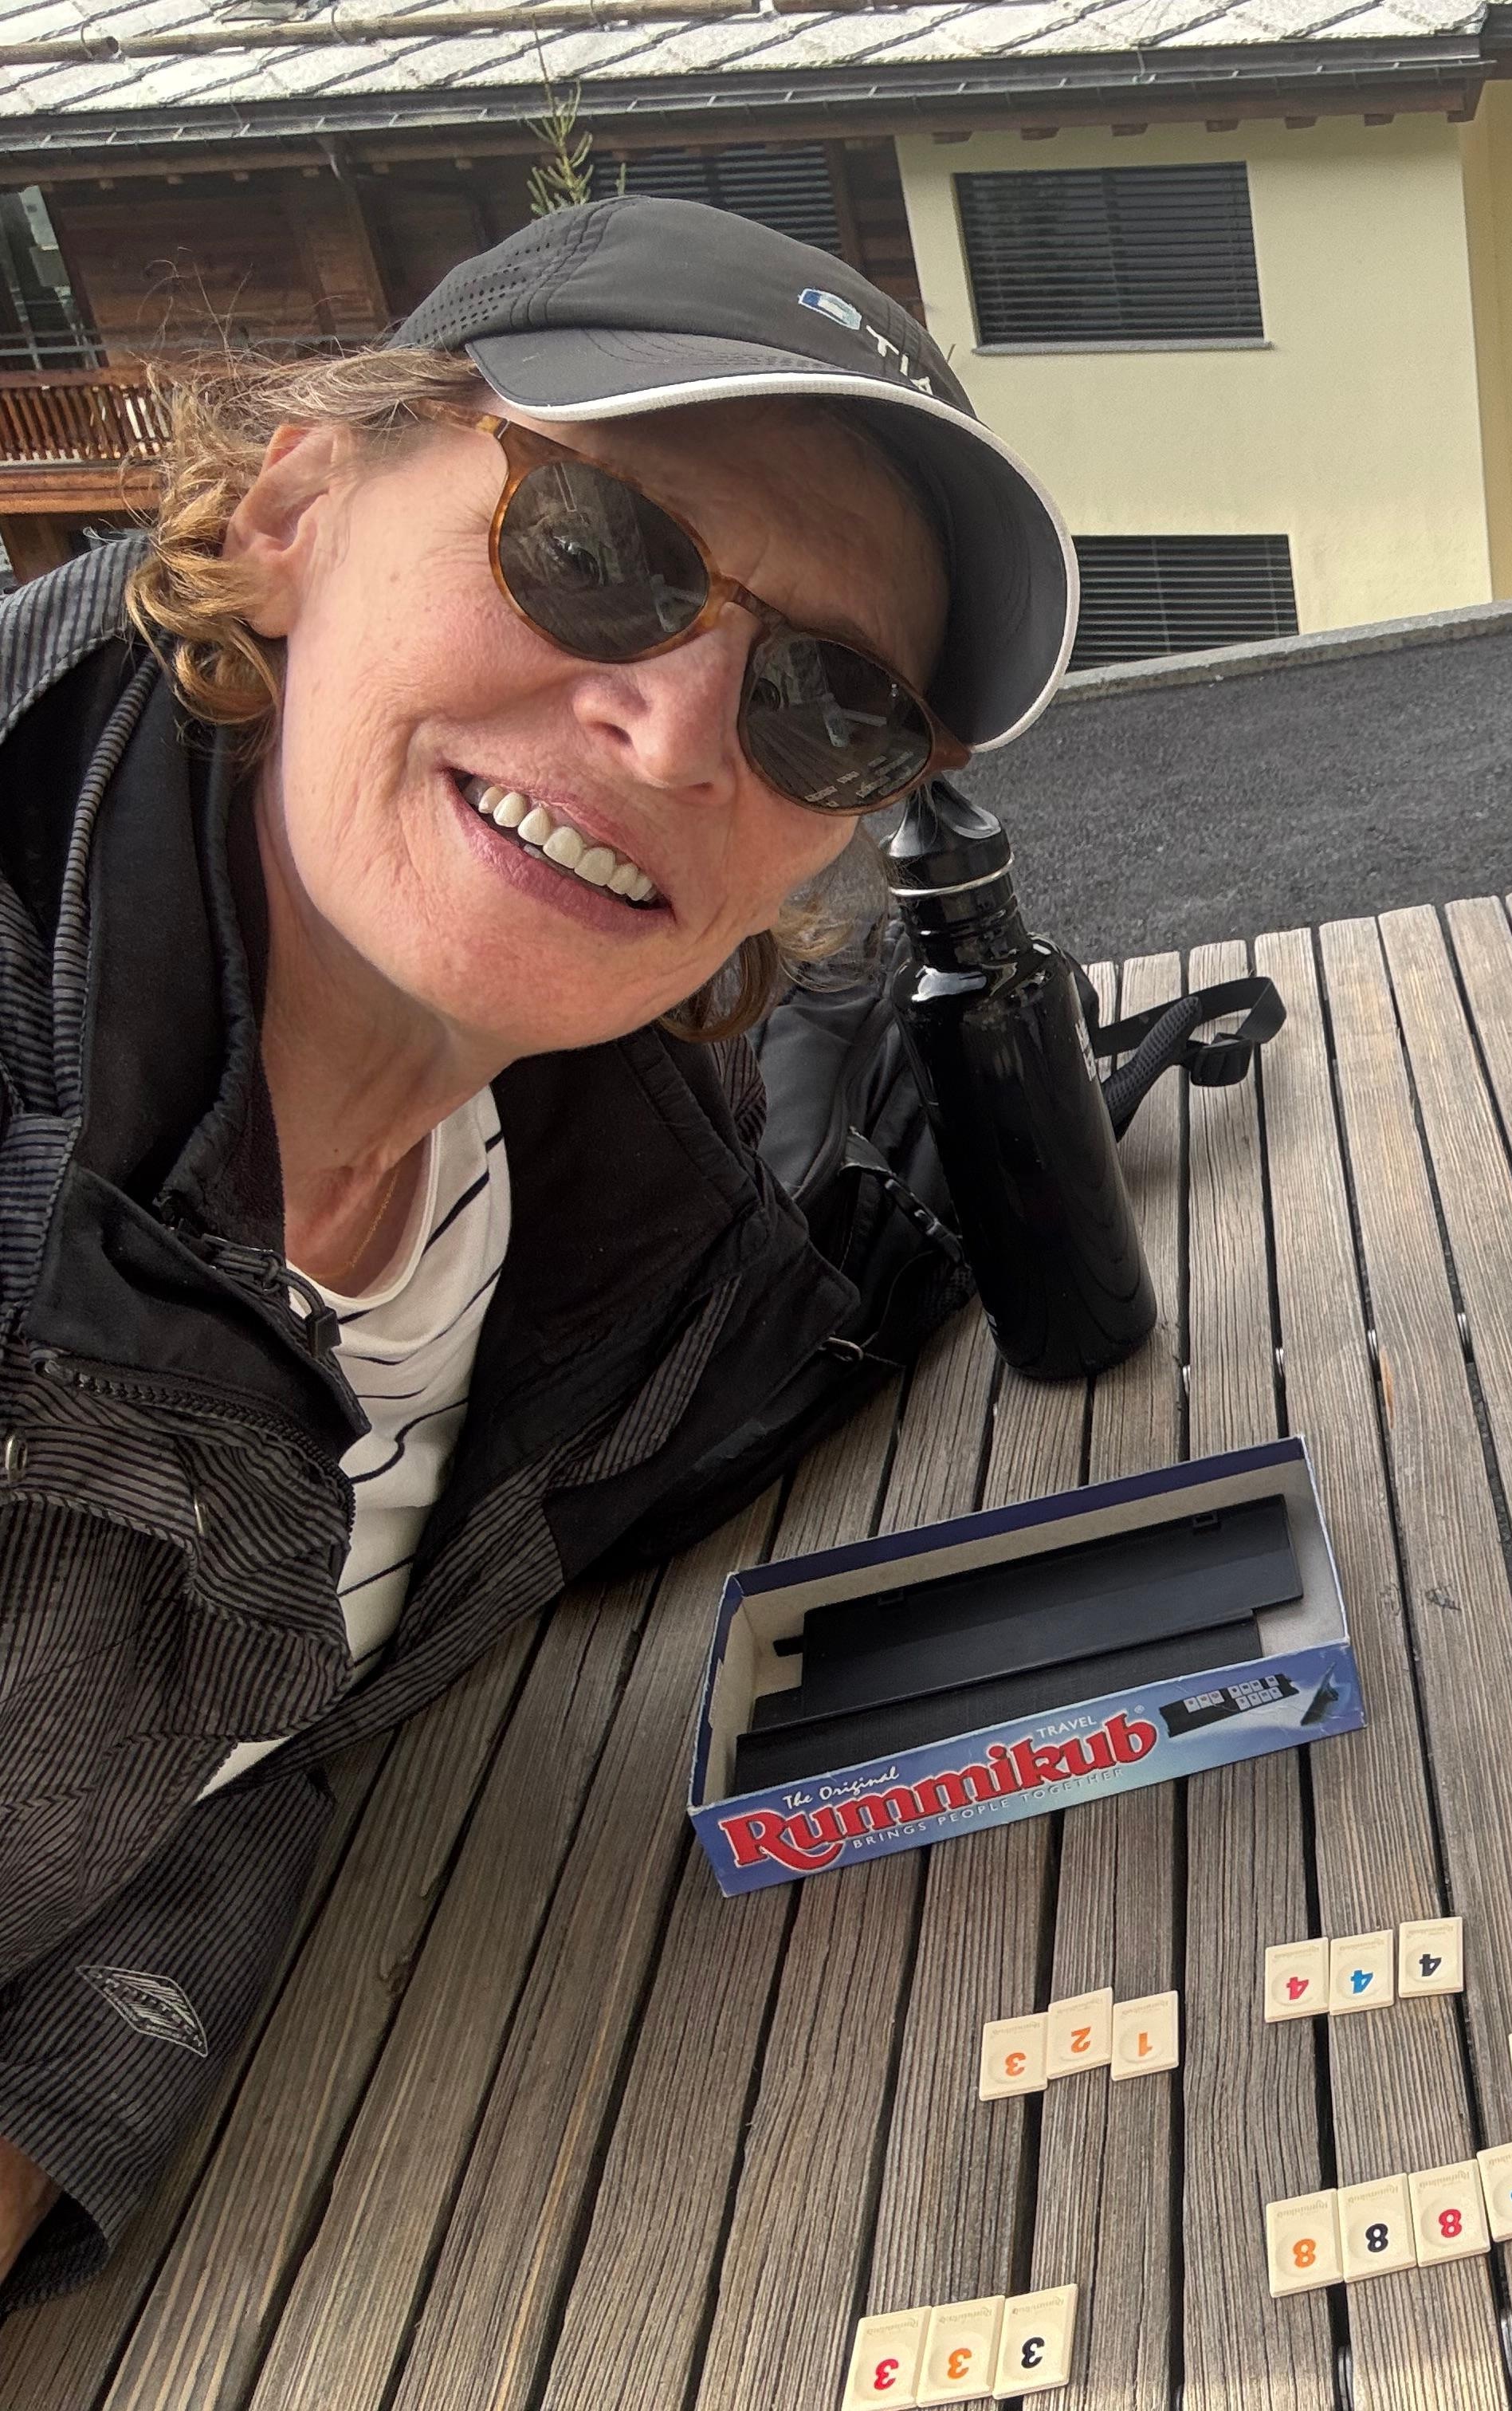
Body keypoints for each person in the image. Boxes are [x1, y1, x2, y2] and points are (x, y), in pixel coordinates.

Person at [0, 195, 1072, 2307]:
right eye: (599, 549)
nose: (676, 735)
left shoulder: (599, 1205)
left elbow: (268, 1737)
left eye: (827, 710)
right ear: (300, 499)